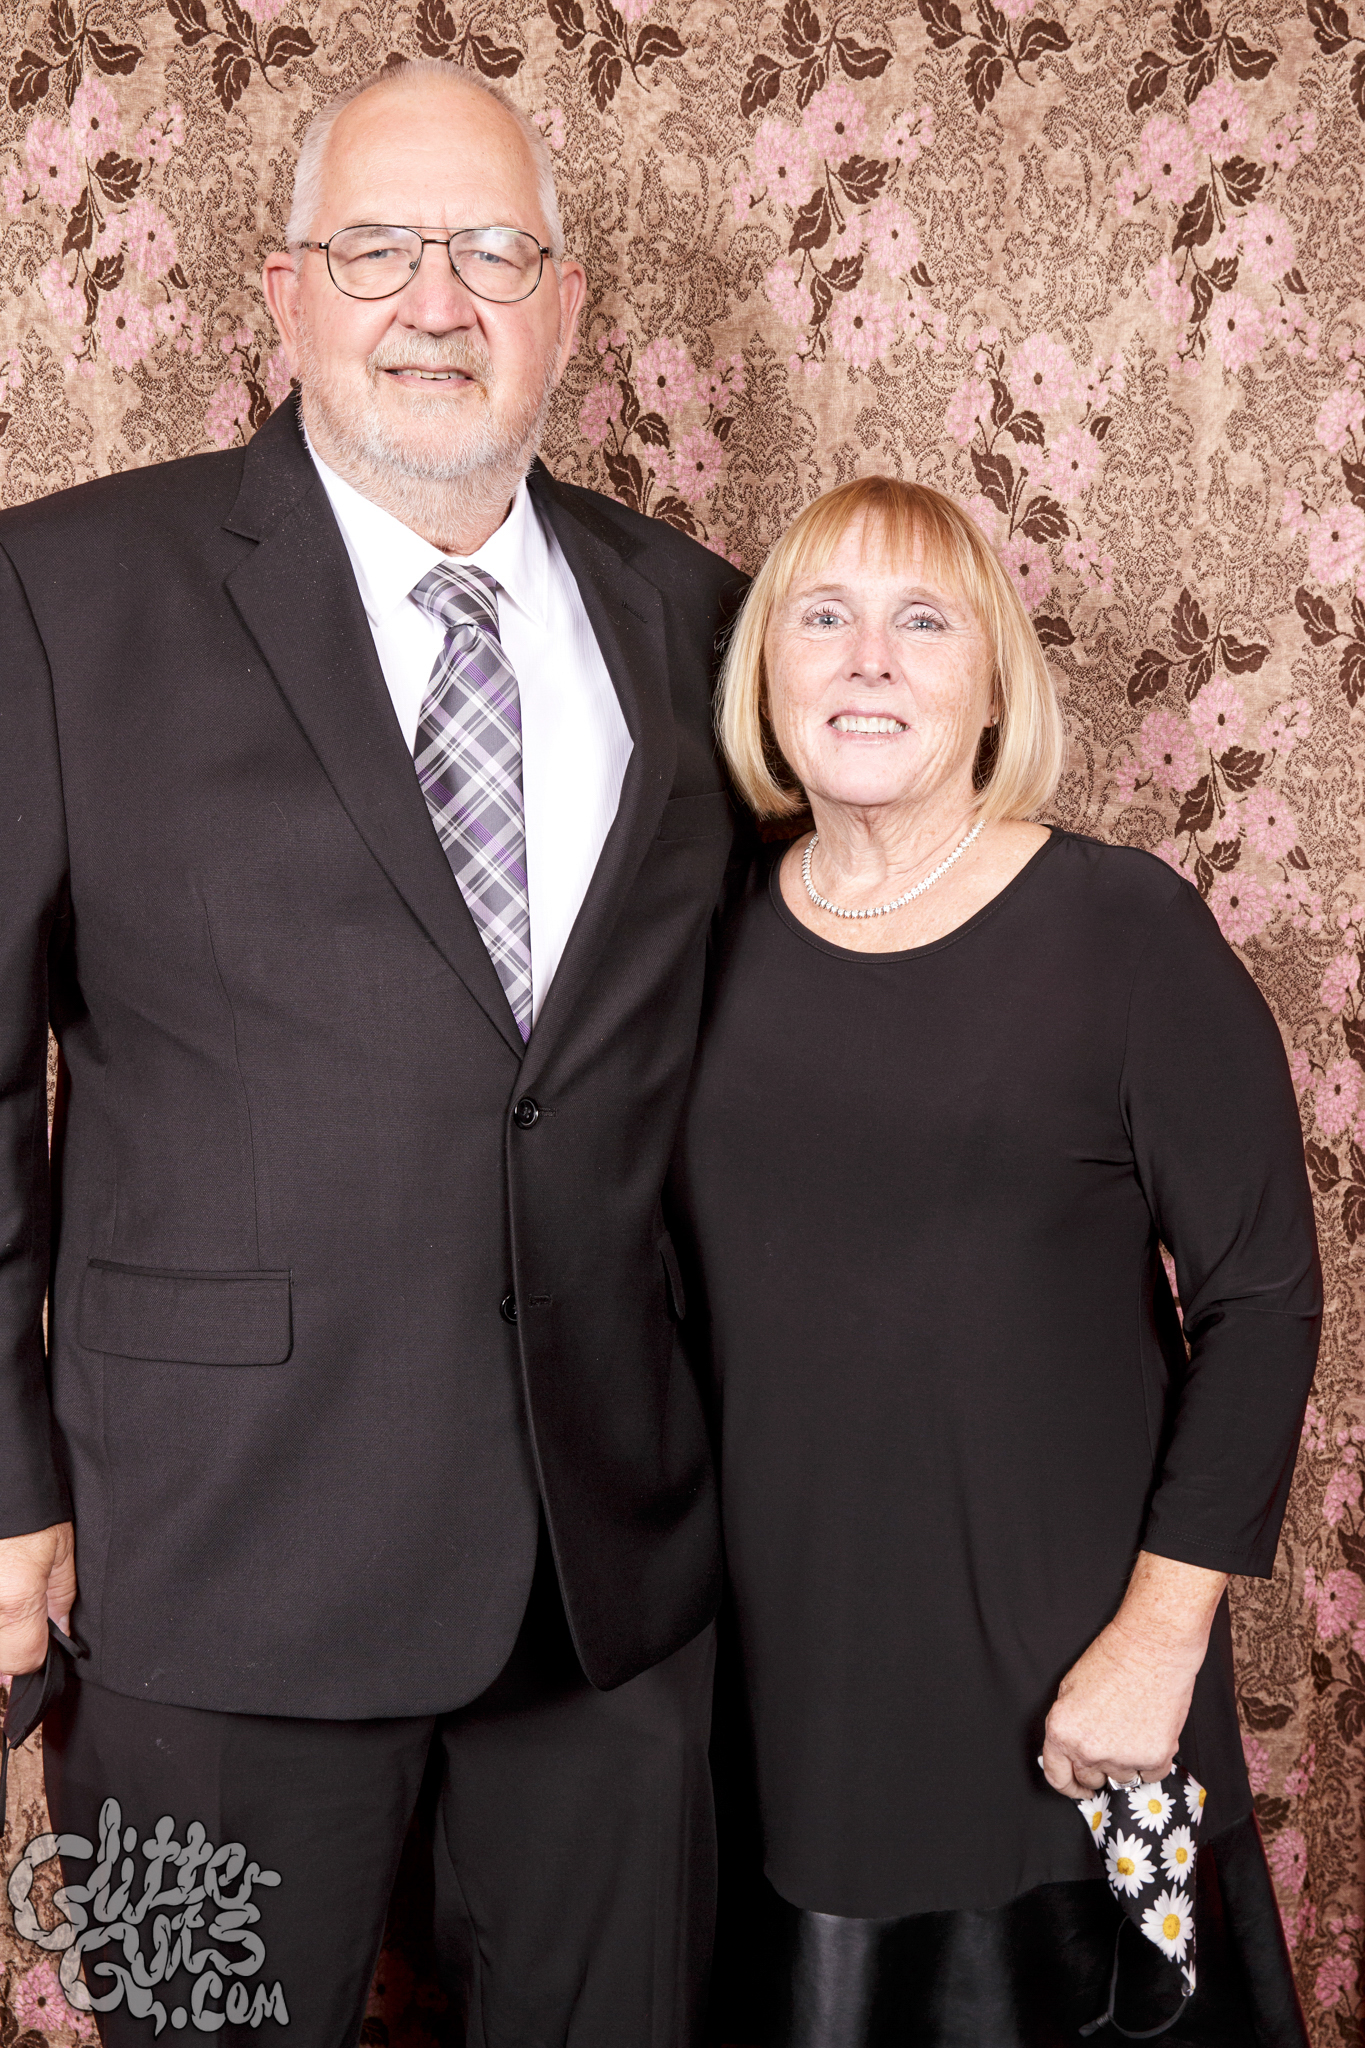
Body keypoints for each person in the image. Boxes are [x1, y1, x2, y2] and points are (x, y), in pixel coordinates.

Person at [0, 58, 745, 2048]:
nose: (437, 301)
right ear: (285, 292)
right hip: (201, 1569)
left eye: (492, 251)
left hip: (610, 1596)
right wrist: (1, 1487)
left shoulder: (698, 620)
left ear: (564, 306)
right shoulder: (58, 595)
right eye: (378, 249)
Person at [674, 476, 1320, 2046]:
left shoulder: (1120, 930)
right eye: (821, 618)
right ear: (765, 676)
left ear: (988, 685)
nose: (866, 661)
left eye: (920, 622)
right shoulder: (697, 936)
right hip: (789, 1700)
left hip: (1071, 1689)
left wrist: (1154, 1649)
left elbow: (1261, 1301)